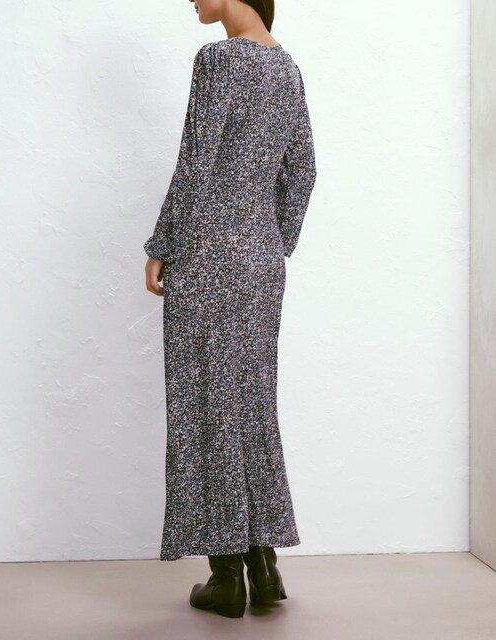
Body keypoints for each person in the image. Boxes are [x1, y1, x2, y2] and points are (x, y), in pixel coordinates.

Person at [143, 0, 317, 618]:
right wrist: (271, 241)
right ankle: (263, 567)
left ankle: (225, 579)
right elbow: (304, 171)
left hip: (207, 256)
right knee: (250, 404)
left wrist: (163, 244)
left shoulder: (218, 60)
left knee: (208, 407)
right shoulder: (287, 68)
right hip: (261, 261)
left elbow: (195, 164)